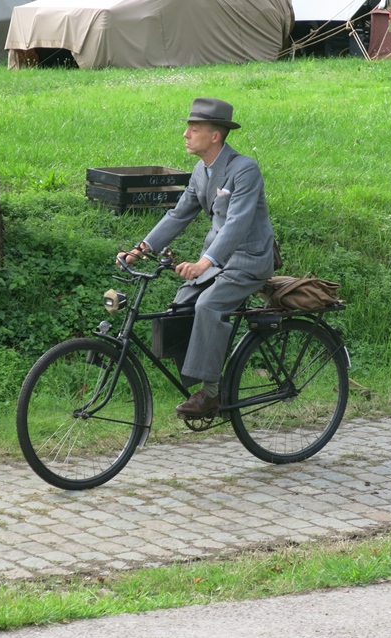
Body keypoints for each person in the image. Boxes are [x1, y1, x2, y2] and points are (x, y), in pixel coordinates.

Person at [118, 97, 275, 419]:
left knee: (209, 305)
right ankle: (198, 381)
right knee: (180, 306)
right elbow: (178, 215)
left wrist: (205, 262)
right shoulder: (201, 172)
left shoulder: (244, 169)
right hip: (219, 261)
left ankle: (211, 394)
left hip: (248, 259)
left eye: (194, 128)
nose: (186, 134)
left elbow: (237, 223)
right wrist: (139, 250)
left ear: (214, 135)